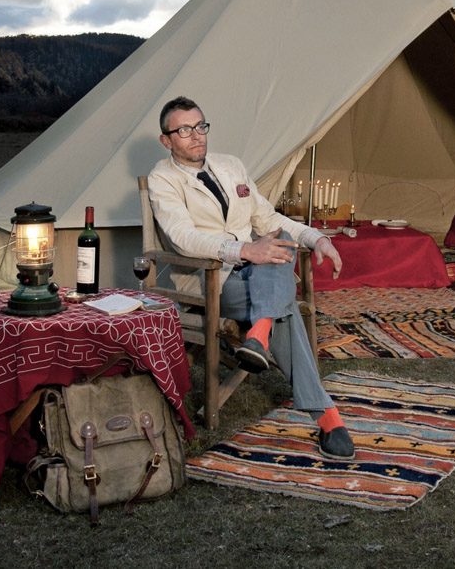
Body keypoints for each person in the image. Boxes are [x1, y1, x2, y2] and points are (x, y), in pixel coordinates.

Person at [147, 96, 355, 460]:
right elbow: (183, 238)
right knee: (280, 290)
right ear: (167, 140)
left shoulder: (232, 166)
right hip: (211, 281)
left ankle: (260, 337)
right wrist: (245, 251)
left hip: (256, 277)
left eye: (200, 126)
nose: (195, 136)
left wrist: (317, 238)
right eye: (183, 130)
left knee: (282, 242)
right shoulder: (162, 178)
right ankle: (326, 416)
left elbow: (271, 222)